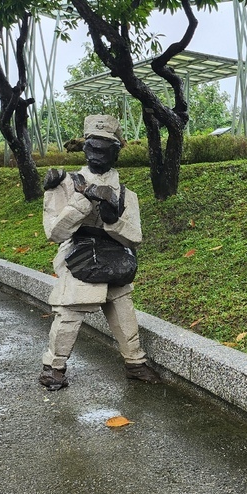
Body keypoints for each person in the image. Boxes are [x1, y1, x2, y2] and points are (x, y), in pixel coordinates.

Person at [39, 114, 161, 390]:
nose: (97, 154)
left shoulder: (127, 195)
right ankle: (53, 368)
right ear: (84, 147)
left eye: (105, 148)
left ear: (116, 152)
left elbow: (135, 237)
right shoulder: (62, 184)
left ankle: (135, 364)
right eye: (92, 146)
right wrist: (83, 201)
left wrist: (111, 218)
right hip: (78, 256)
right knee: (69, 315)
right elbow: (55, 233)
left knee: (124, 315)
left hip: (115, 258)